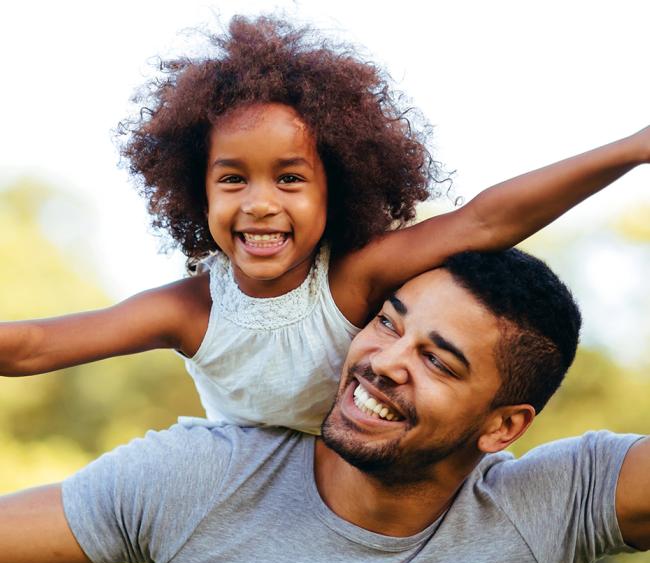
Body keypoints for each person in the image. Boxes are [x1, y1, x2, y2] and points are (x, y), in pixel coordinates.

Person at [0, 15, 648, 435]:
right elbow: (30, 346)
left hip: (366, 485)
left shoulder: (352, 281)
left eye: (289, 179)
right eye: (233, 179)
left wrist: (633, 148)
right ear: (197, 194)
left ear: (333, 191)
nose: (258, 203)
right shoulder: (190, 310)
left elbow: (485, 219)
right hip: (243, 502)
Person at [1, 248, 648, 563]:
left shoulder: (551, 508)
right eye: (388, 323)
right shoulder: (202, 477)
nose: (385, 361)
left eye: (438, 362)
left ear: (503, 427)